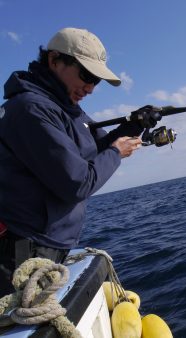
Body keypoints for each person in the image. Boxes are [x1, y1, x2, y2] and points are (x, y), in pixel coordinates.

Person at [0, 27, 159, 296]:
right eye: (86, 75)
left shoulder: (66, 109)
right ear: (54, 60)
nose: (90, 87)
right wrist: (117, 152)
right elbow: (77, 182)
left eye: (96, 80)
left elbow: (94, 150)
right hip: (22, 252)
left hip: (49, 245)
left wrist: (133, 126)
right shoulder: (31, 109)